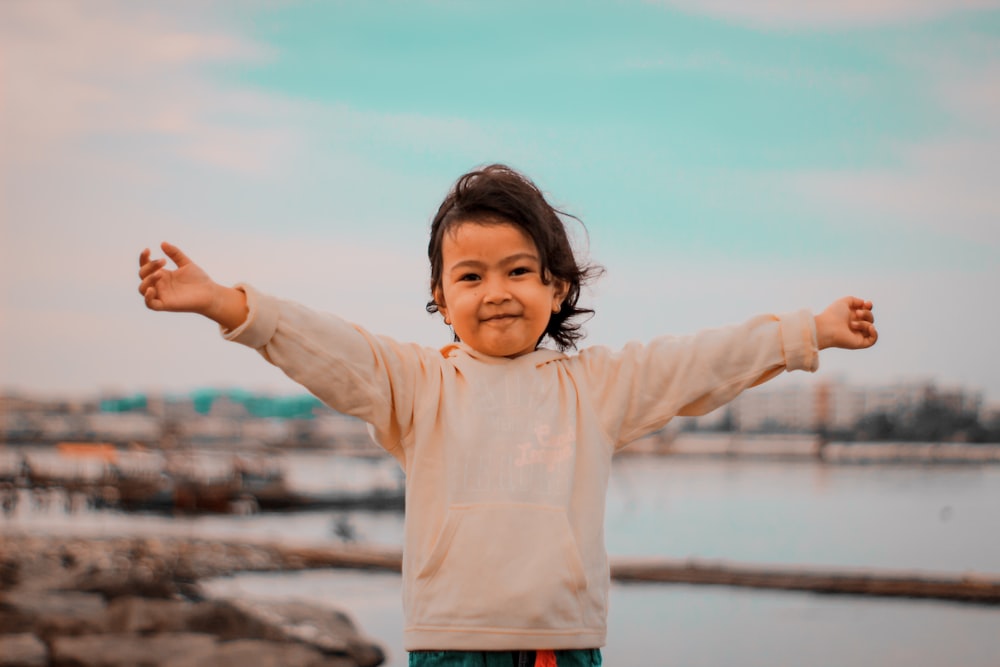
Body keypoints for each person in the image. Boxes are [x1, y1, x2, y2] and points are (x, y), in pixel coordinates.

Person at [137, 164, 877, 667]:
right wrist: (224, 303)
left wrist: (806, 331)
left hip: (561, 641)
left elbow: (700, 362)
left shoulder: (597, 386)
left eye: (519, 270)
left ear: (557, 288)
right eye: (471, 274)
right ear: (441, 296)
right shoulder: (416, 384)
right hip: (447, 642)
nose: (496, 290)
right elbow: (322, 345)